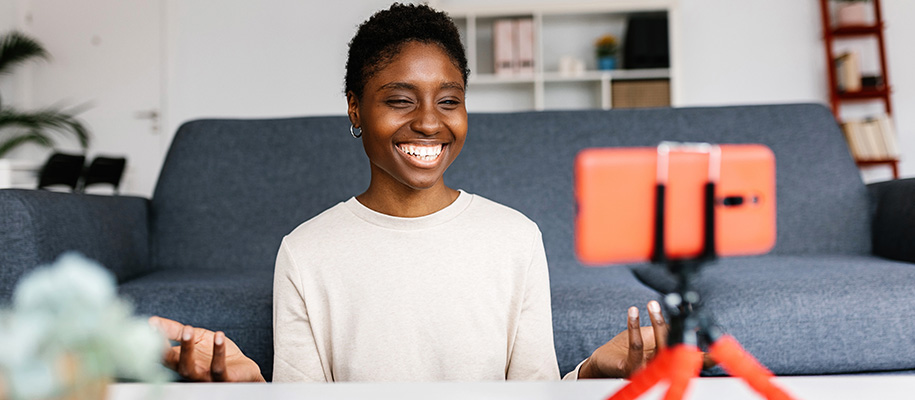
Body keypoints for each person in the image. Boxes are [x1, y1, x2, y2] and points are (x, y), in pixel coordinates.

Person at [150, 3, 673, 382]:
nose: (429, 123)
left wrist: (591, 374)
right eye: (400, 100)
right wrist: (248, 390)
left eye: (449, 101)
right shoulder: (305, 251)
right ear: (355, 108)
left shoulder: (516, 238)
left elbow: (531, 395)